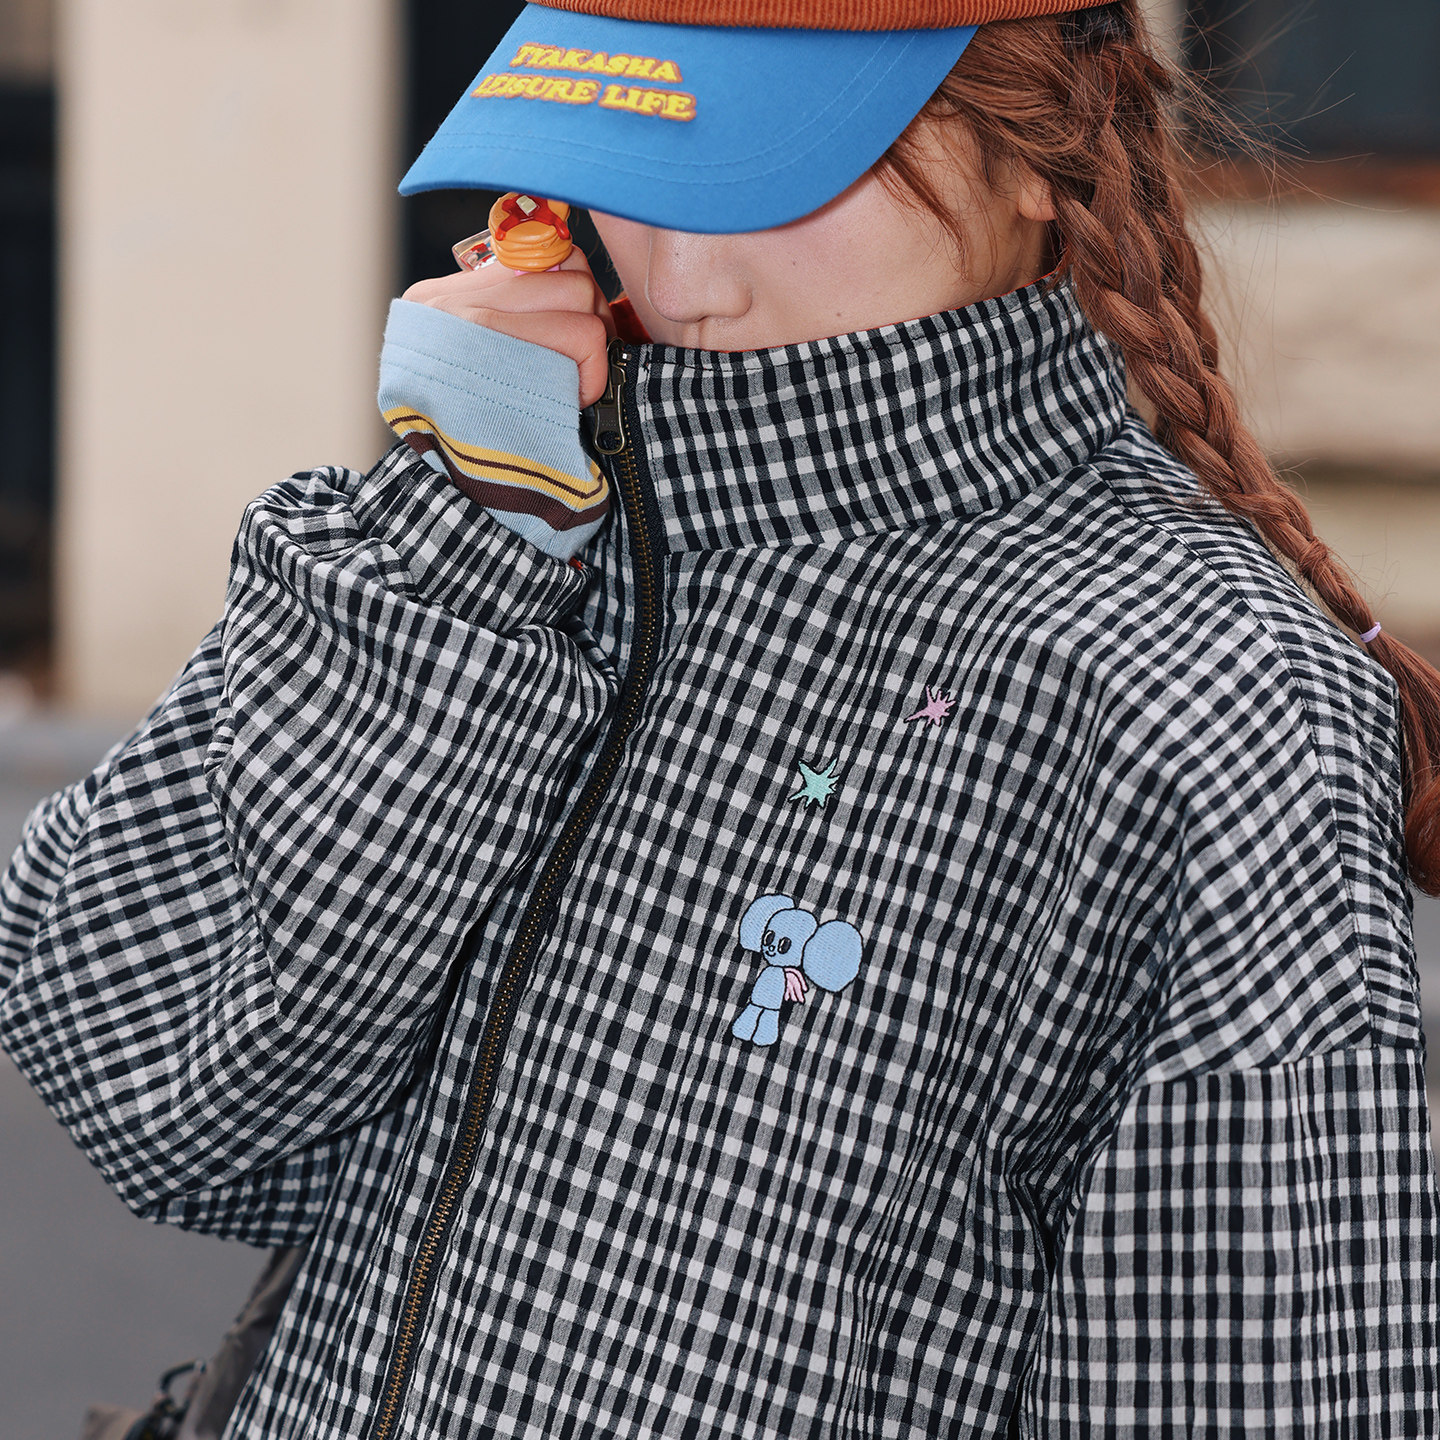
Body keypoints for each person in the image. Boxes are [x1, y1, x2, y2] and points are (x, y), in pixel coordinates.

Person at [3, 0, 1438, 1435]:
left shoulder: (1192, 696)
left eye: (781, 169)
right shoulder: (539, 523)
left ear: (1035, 156)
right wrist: (457, 546)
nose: (685, 279)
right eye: (626, 155)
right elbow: (167, 1109)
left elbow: (1257, 1384)